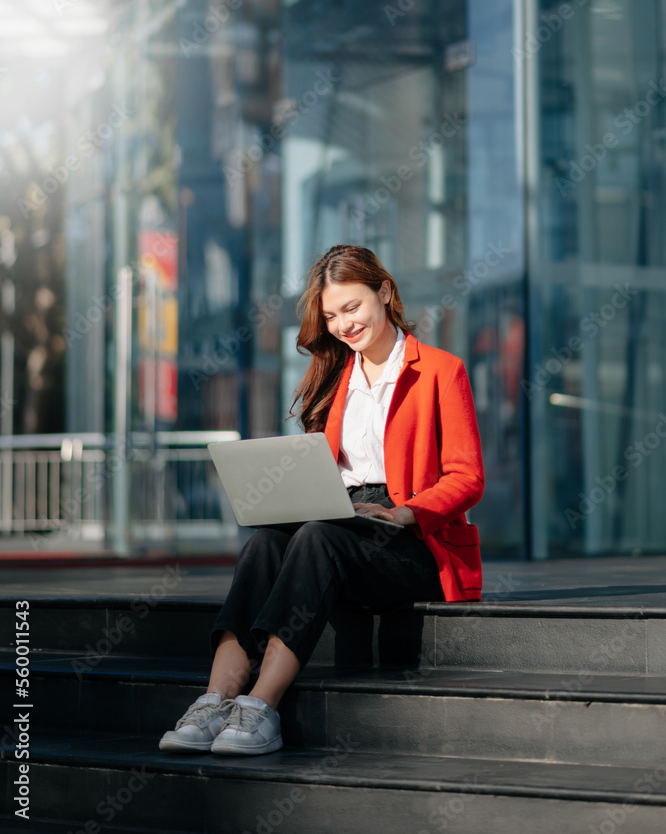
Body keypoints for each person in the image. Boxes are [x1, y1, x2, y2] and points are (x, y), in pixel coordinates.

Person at [159, 244, 484, 756]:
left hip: (413, 535)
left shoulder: (442, 370)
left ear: (384, 292)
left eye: (351, 308)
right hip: (340, 516)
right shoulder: (335, 379)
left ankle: (261, 707)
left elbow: (467, 478)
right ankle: (215, 698)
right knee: (266, 541)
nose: (342, 325)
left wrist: (404, 512)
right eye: (331, 316)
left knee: (317, 537)